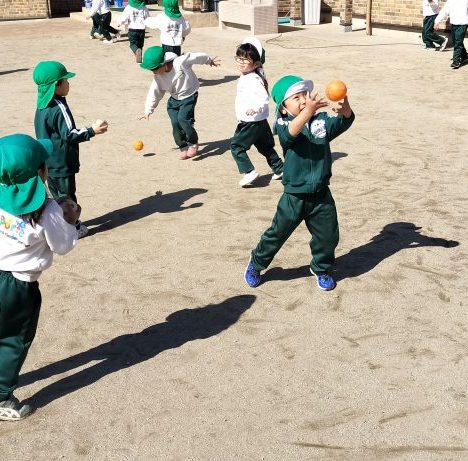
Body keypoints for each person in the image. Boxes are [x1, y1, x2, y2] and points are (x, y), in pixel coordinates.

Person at [244, 75, 355, 291]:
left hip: (321, 194)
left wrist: (346, 112)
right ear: (283, 108)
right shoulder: (284, 124)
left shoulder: (320, 121)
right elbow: (290, 134)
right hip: (294, 195)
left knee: (328, 236)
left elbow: (341, 123)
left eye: (305, 94)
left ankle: (321, 268)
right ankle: (256, 262)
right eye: (296, 97)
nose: (304, 100)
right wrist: (307, 112)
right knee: (277, 234)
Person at [0, 134, 80, 421]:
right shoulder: (48, 211)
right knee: (13, 339)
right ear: (40, 173)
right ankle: (1, 397)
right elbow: (63, 246)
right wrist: (70, 219)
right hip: (18, 286)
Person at [33, 61, 108, 238]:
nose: (68, 83)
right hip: (62, 162)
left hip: (48, 162)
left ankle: (58, 225)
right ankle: (73, 228)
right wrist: (92, 131)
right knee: (68, 199)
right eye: (65, 80)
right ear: (56, 85)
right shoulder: (59, 107)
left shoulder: (41, 106)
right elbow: (70, 134)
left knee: (57, 198)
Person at [140, 46, 220, 159]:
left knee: (183, 119)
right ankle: (183, 146)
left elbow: (196, 57)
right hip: (174, 99)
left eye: (155, 69)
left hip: (189, 95)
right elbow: (154, 92)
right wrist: (148, 109)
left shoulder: (180, 62)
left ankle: (193, 142)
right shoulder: (158, 77)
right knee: (175, 122)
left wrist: (209, 60)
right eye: (151, 70)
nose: (153, 72)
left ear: (163, 63)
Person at [231, 37, 283, 187]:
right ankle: (280, 169)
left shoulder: (253, 79)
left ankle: (249, 171)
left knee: (237, 147)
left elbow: (263, 97)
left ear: (255, 63)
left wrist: (256, 108)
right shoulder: (253, 74)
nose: (241, 62)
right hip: (260, 121)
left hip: (251, 121)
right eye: (239, 58)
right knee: (265, 147)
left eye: (245, 60)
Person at [435, 0, 468, 68]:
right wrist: (437, 21)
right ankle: (465, 55)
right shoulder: (451, 1)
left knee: (458, 43)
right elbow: (444, 11)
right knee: (456, 41)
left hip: (462, 24)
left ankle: (456, 61)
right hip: (453, 24)